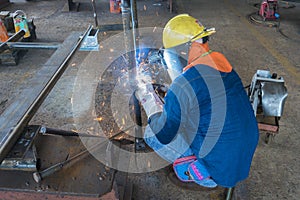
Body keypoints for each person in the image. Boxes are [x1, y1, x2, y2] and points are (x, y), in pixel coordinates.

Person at [135, 14, 259, 188]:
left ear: (182, 49)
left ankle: (198, 172)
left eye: (168, 53)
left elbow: (164, 134)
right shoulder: (222, 65)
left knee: (150, 132)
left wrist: (148, 99)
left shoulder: (184, 84)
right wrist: (173, 95)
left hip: (219, 167)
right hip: (242, 154)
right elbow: (202, 93)